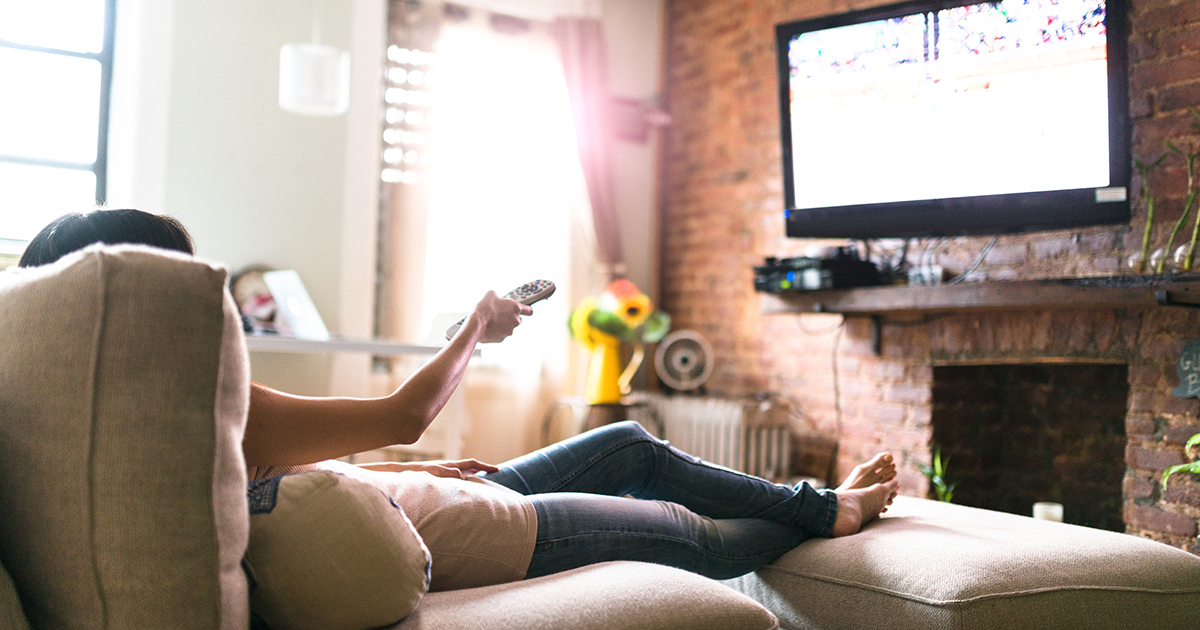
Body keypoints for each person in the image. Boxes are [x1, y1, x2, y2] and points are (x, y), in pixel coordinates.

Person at [19, 208, 900, 590]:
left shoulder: (122, 429)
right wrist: (477, 327)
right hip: (472, 532)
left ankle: (818, 505)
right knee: (695, 539)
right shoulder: (197, 415)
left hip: (430, 496)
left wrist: (425, 466)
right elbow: (402, 411)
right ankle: (826, 512)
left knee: (631, 446)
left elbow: (296, 476)